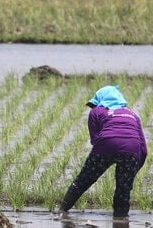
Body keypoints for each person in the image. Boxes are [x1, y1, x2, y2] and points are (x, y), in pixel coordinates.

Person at [58, 85, 147, 218]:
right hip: (131, 148)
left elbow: (95, 139)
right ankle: (121, 219)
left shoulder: (96, 111)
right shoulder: (133, 114)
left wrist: (100, 161)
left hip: (106, 145)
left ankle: (62, 210)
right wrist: (133, 169)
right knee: (124, 188)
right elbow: (143, 149)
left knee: (83, 180)